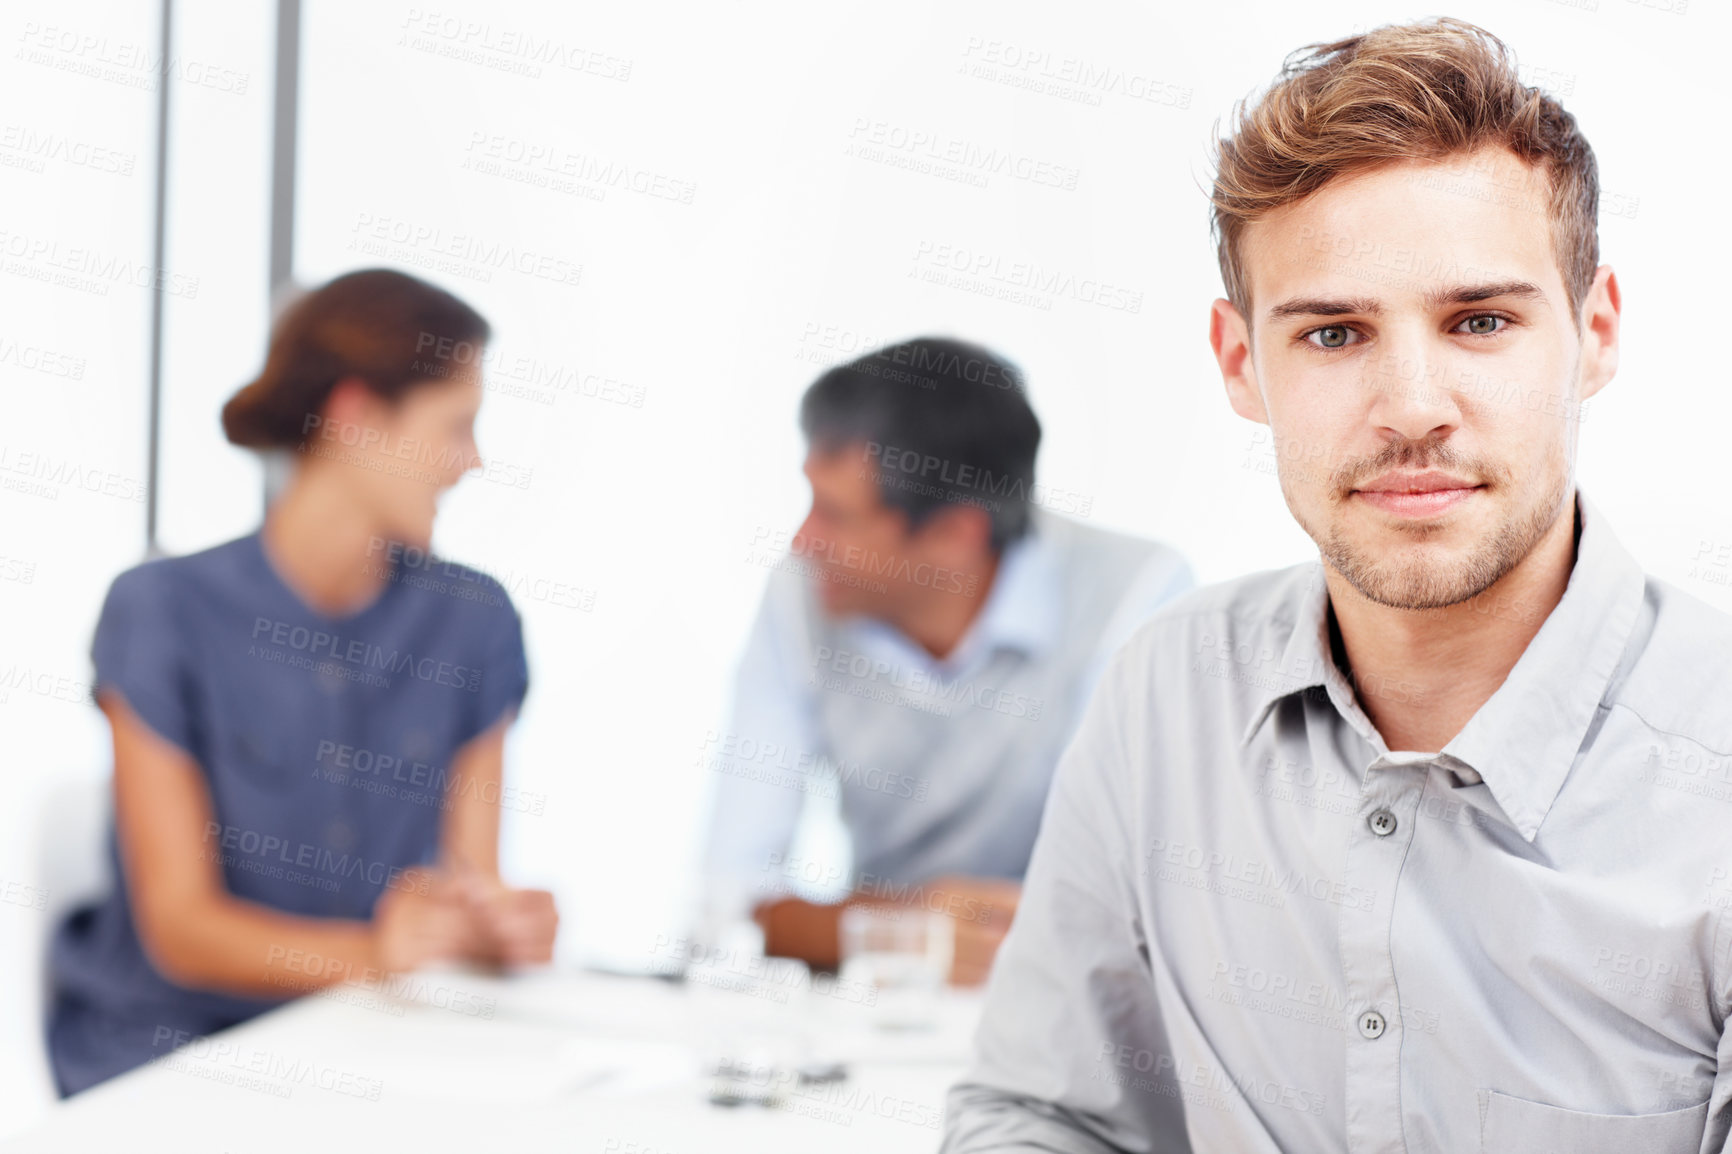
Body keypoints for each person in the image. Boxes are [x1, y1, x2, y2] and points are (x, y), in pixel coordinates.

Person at [945, 18, 1732, 1152]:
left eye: (1480, 320)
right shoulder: (1167, 690)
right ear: (1238, 363)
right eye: (1331, 334)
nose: (1412, 405)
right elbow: (1046, 1114)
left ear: (1593, 332)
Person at [47, 268, 557, 1096]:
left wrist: (494, 928)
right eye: (456, 426)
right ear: (356, 417)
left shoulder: (475, 621)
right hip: (163, 1054)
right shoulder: (162, 610)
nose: (473, 462)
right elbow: (179, 928)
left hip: (360, 1045)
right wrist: (374, 956)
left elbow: (468, 880)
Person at [701, 337, 1193, 983]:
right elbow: (724, 903)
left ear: (956, 535)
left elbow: (1141, 908)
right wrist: (911, 927)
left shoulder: (1135, 597)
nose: (801, 541)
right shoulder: (800, 594)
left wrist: (861, 929)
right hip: (884, 1010)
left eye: (835, 515)